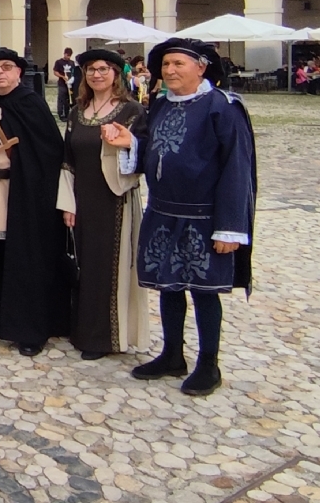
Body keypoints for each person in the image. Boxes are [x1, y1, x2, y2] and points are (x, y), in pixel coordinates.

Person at [103, 38, 255, 396]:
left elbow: (238, 167)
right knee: (169, 286)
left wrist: (230, 228)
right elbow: (152, 149)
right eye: (166, 65)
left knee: (204, 292)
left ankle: (208, 364)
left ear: (201, 67)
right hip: (163, 210)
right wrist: (129, 143)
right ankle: (172, 355)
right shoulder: (159, 104)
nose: (169, 71)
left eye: (178, 64)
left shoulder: (223, 107)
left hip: (204, 217)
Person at [0, 48, 68, 356]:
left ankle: (32, 327)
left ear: (18, 72)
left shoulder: (31, 104)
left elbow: (49, 151)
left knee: (25, 258)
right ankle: (1, 314)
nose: (0, 72)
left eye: (6, 67)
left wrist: (23, 159)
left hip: (21, 193)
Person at [56, 49, 149, 360]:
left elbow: (141, 157)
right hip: (82, 198)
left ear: (116, 74)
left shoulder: (130, 111)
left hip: (115, 198)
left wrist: (126, 145)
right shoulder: (77, 112)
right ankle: (81, 329)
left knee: (108, 267)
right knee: (84, 265)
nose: (96, 75)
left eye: (103, 69)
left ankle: (105, 337)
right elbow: (67, 161)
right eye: (91, 70)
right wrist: (68, 203)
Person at [52, 47, 76, 122]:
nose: (68, 57)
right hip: (62, 84)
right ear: (64, 54)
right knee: (61, 99)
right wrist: (63, 77)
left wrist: (72, 79)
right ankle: (60, 114)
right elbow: (55, 72)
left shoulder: (72, 63)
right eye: (67, 55)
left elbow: (73, 72)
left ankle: (66, 114)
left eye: (69, 56)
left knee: (68, 99)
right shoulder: (59, 62)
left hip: (70, 84)